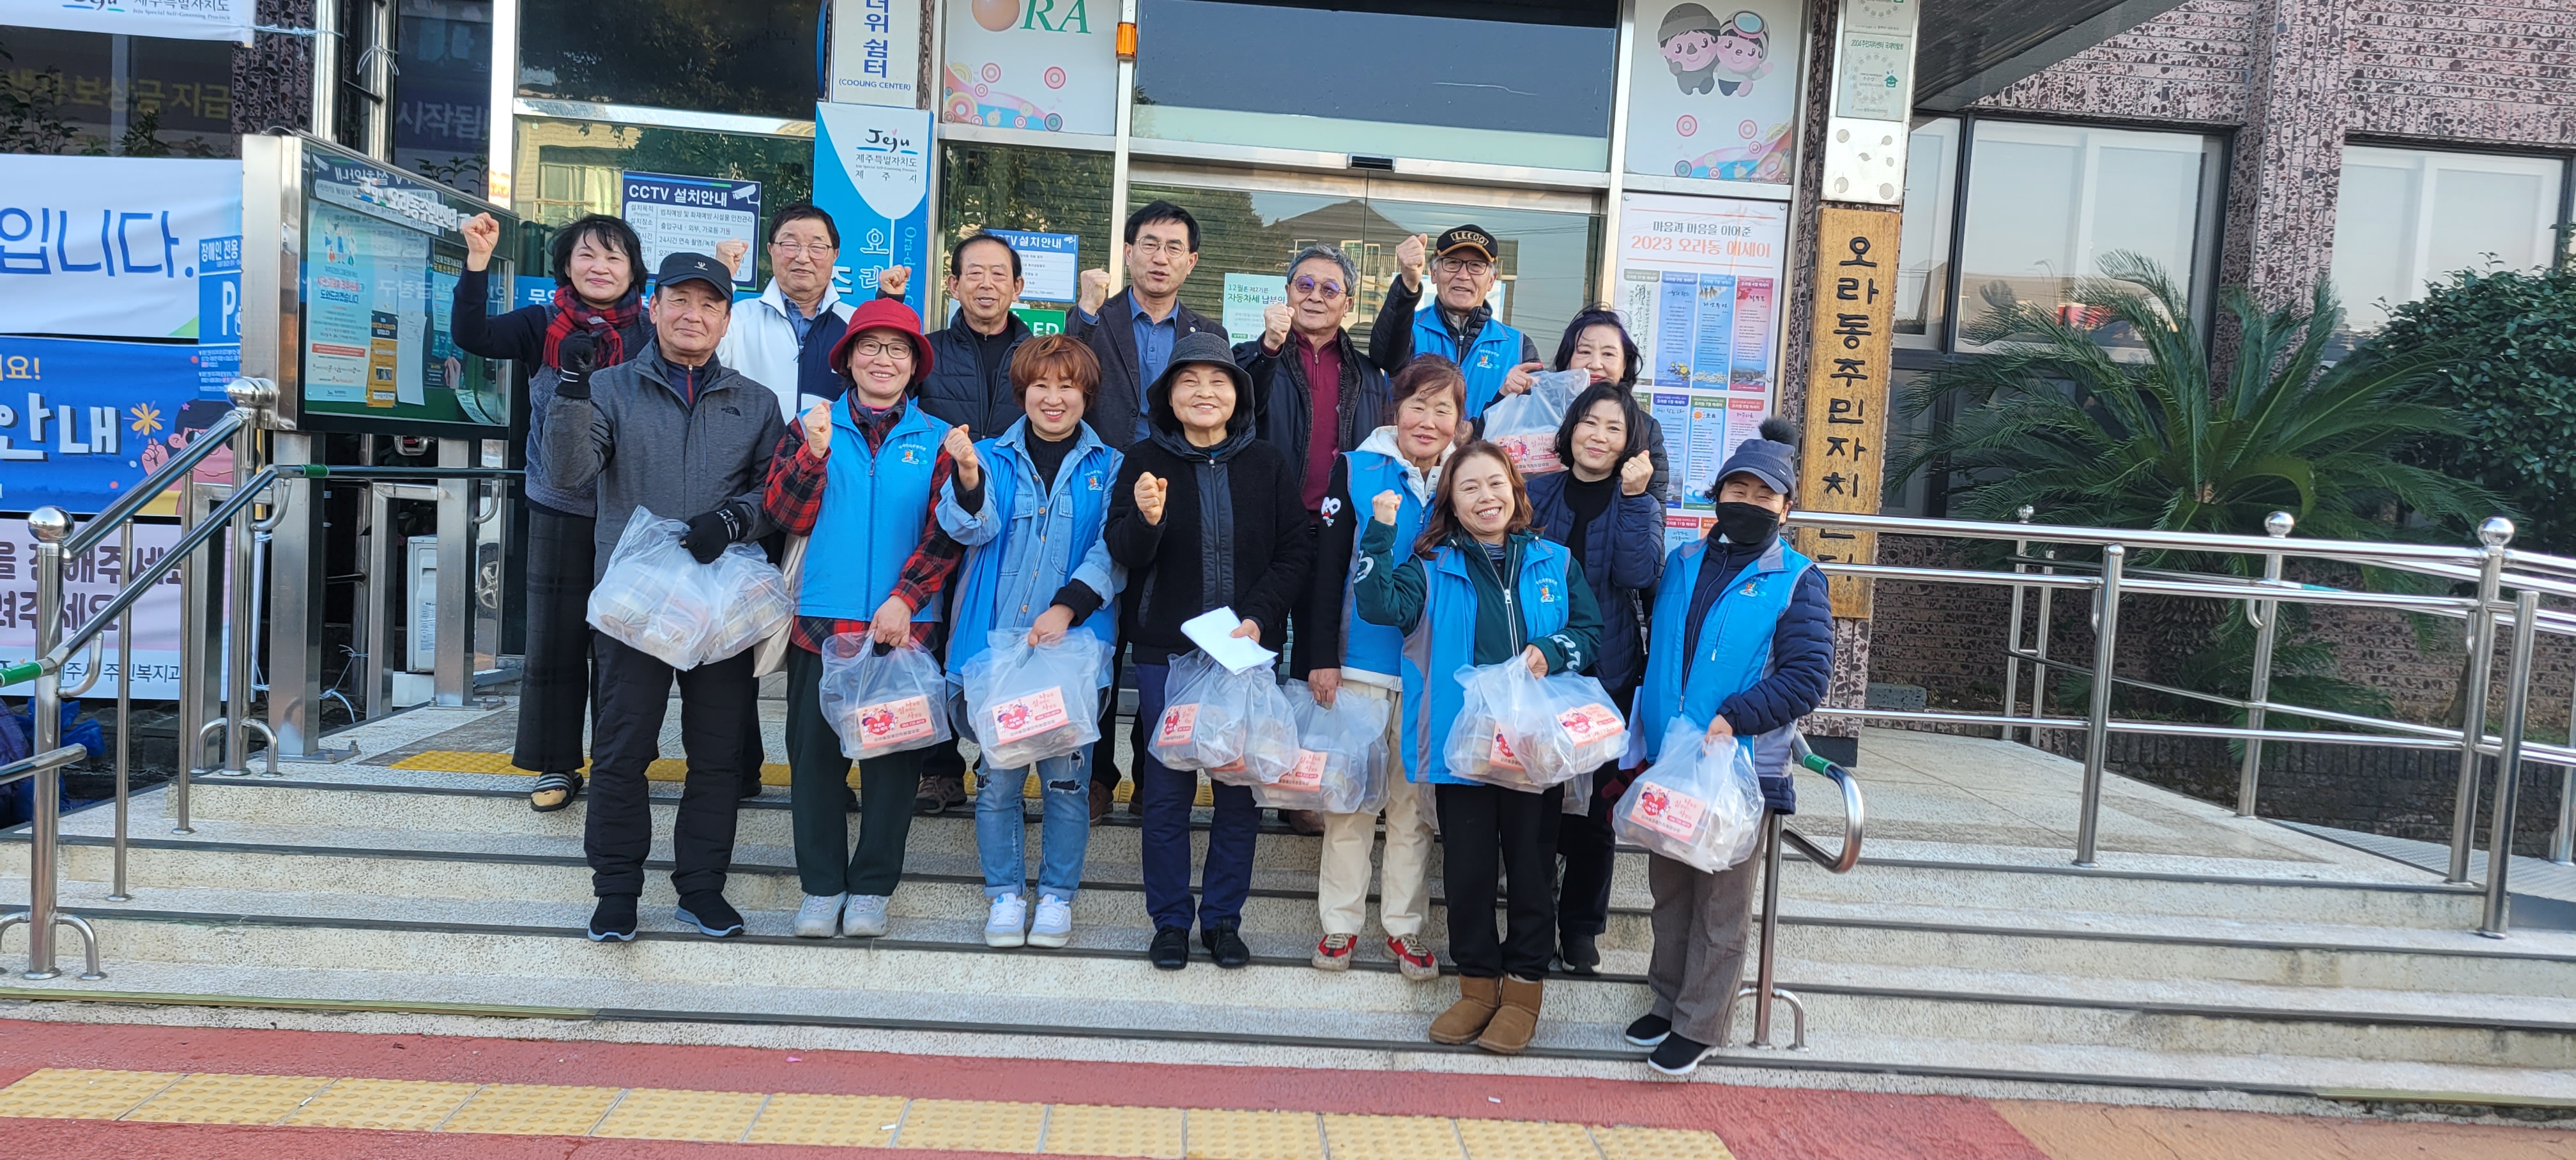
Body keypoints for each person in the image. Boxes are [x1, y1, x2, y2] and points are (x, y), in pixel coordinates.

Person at [543, 252, 785, 943]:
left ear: (726, 320)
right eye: (680, 300)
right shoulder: (612, 388)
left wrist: (735, 520)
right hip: (636, 606)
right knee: (622, 749)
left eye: (710, 305)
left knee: (717, 756)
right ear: (654, 307)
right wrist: (569, 387)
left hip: (718, 605)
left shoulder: (754, 401)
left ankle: (701, 888)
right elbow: (568, 470)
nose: (693, 315)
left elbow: (775, 493)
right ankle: (616, 890)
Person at [1354, 439, 1600, 1057]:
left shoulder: (1555, 561)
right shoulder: (1430, 567)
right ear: (1452, 504)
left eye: (1494, 484)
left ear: (1516, 491)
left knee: (1531, 872)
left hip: (1533, 752)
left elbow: (1590, 631)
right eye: (1469, 488)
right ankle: (1475, 989)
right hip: (1461, 753)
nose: (1484, 497)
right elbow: (1378, 603)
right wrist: (1380, 534)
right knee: (1465, 875)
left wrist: (1556, 650)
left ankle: (1522, 992)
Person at [1622, 418, 1832, 1076]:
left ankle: (1701, 1021)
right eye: (1736, 489)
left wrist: (1737, 715)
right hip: (1674, 762)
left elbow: (1807, 677)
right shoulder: (1682, 562)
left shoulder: (1798, 578)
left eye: (1763, 494)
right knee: (1670, 892)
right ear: (1717, 497)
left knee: (1721, 905)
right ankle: (1667, 1001)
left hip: (1739, 767)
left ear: (1785, 507)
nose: (1748, 502)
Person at [760, 299, 970, 942]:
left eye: (898, 350)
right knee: (816, 763)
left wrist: (906, 598)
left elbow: (948, 534)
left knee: (892, 768)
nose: (884, 360)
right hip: (820, 625)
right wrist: (813, 457)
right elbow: (785, 516)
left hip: (905, 630)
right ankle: (822, 887)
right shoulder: (809, 425)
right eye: (870, 347)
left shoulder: (939, 438)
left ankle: (873, 887)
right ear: (848, 358)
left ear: (915, 366)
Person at [1102, 332, 1312, 972]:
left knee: (1236, 793)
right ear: (1169, 395)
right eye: (1189, 382)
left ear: (1238, 394)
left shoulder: (1268, 463)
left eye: (1218, 381)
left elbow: (1294, 552)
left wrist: (1259, 617)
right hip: (1169, 657)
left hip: (1244, 656)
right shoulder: (1143, 458)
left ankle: (1223, 919)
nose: (1205, 393)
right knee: (1165, 794)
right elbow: (1125, 553)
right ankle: (1169, 920)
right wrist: (1145, 518)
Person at [453, 211, 646, 813]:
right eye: (587, 256)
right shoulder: (542, 324)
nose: (600, 268)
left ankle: (619, 759)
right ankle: (556, 765)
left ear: (634, 271)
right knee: (556, 641)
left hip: (631, 511)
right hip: (559, 505)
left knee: (624, 644)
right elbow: (472, 335)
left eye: (614, 258)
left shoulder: (650, 329)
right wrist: (478, 261)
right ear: (565, 266)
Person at [937, 334, 1123, 949]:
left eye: (1067, 385)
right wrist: (966, 473)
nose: (1053, 397)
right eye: (1040, 384)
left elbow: (1114, 554)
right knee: (998, 783)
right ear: (1023, 391)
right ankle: (1005, 896)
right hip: (998, 653)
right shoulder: (989, 456)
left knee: (1068, 785)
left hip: (1072, 652)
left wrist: (1067, 609)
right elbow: (970, 525)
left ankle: (1058, 899)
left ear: (1086, 395)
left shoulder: (1111, 467)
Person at [1296, 355, 1464, 982]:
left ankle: (1405, 930)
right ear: (1396, 408)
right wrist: (1320, 658)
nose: (1427, 419)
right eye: (1417, 404)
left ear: (1459, 420)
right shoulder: (1357, 467)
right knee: (1350, 805)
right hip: (1360, 667)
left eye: (1442, 408)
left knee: (1412, 808)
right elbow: (1328, 566)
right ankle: (1339, 925)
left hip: (1431, 672)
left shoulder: (1466, 479)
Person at [1070, 200, 1220, 821]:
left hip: (1176, 502)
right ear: (1129, 252)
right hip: (1098, 495)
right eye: (1149, 244)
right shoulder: (1093, 321)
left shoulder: (1204, 332)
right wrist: (1081, 314)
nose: (1160, 258)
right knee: (1098, 633)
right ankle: (1098, 774)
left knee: (1160, 640)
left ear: (1191, 261)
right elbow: (1063, 378)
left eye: (1173, 247)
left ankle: (1150, 772)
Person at [878, 231, 1038, 816]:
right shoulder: (929, 352)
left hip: (1016, 519)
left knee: (1000, 634)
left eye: (1000, 274)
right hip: (936, 513)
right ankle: (938, 765)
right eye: (974, 273)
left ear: (1018, 287)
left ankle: (994, 753)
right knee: (934, 633)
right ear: (953, 284)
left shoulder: (1037, 356)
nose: (987, 284)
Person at [1243, 242, 1390, 836]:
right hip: (1271, 528)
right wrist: (1267, 351)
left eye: (1330, 289)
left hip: (1338, 531)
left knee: (1319, 658)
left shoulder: (1369, 373)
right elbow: (1233, 412)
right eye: (1305, 285)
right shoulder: (1257, 357)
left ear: (1348, 304)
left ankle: (1301, 786)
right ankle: (1250, 770)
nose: (1315, 297)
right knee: (1262, 653)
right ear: (1286, 294)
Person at [1524, 383, 1667, 974]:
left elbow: (1637, 573)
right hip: (1540, 672)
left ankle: (1581, 928)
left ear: (1630, 442)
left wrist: (1635, 500)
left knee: (1593, 817)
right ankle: (1533, 920)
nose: (1599, 436)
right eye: (1590, 422)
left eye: (1614, 427)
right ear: (1571, 428)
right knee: (1535, 804)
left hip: (1607, 677)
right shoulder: (1534, 492)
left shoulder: (1641, 503)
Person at [1367, 225, 1542, 421]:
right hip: (1409, 452)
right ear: (1434, 274)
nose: (1463, 275)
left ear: (1491, 280)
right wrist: (1407, 284)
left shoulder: (1518, 347)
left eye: (1476, 266)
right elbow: (1383, 356)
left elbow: (1532, 420)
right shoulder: (1407, 328)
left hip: (1484, 452)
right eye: (1452, 263)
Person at [716, 203, 850, 421]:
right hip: (753, 454)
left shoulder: (855, 325)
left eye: (816, 247)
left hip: (832, 454)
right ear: (771, 249)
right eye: (790, 244)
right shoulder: (737, 320)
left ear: (835, 255)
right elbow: (701, 363)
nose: (802, 258)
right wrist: (720, 278)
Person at [1550, 307, 1675, 503]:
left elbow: (1654, 513)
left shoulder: (1646, 428)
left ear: (1625, 365)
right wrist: (1504, 397)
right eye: (1584, 352)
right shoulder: (1541, 413)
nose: (1596, 364)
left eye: (1608, 354)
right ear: (1567, 361)